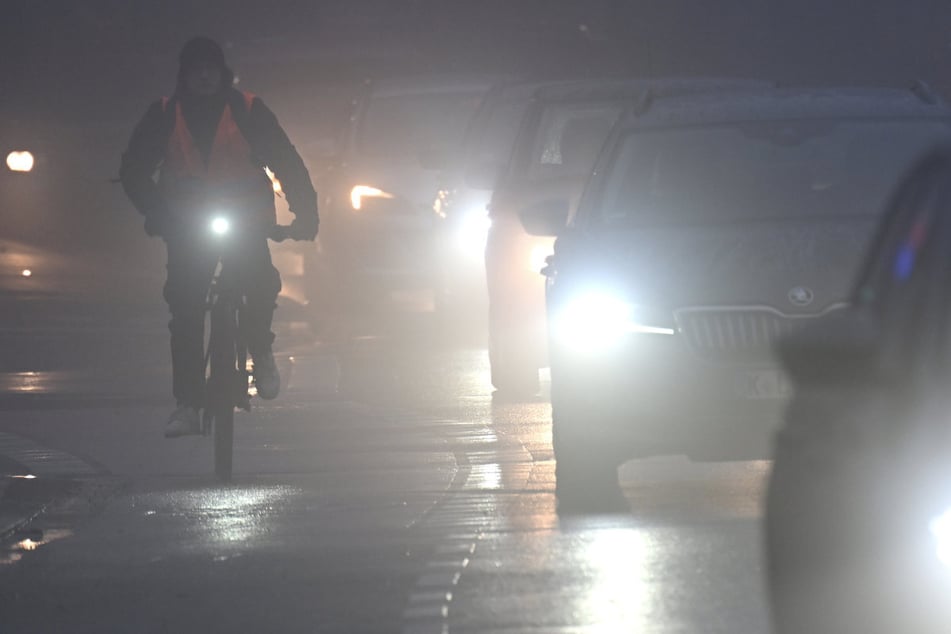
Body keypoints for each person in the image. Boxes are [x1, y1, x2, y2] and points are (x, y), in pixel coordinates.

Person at [120, 37, 319, 437]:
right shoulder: (164, 114)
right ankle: (188, 404)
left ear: (222, 72)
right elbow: (134, 170)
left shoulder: (247, 110)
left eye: (211, 68)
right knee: (186, 308)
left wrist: (306, 213)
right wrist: (157, 214)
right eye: (197, 69)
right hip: (186, 226)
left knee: (260, 284)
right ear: (185, 75)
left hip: (247, 221)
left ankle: (260, 350)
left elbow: (286, 159)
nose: (205, 76)